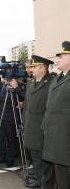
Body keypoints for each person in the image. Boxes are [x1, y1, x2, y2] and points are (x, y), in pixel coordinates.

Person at [21, 55, 54, 188]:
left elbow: (50, 108)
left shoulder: (52, 83)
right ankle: (40, 181)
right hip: (30, 127)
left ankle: (45, 184)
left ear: (43, 68)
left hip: (42, 128)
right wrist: (23, 122)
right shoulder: (30, 83)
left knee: (44, 160)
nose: (31, 69)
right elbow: (26, 107)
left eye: (34, 67)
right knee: (35, 157)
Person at [42, 41, 70, 189]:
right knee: (60, 180)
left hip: (65, 139)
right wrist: (45, 127)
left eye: (61, 57)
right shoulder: (58, 79)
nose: (57, 60)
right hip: (55, 138)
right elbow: (50, 107)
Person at [0, 77, 25, 167]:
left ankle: (10, 159)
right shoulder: (4, 86)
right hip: (1, 116)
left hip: (10, 117)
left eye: (12, 80)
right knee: (1, 138)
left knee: (10, 139)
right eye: (9, 80)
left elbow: (5, 98)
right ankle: (2, 156)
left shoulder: (16, 89)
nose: (9, 81)